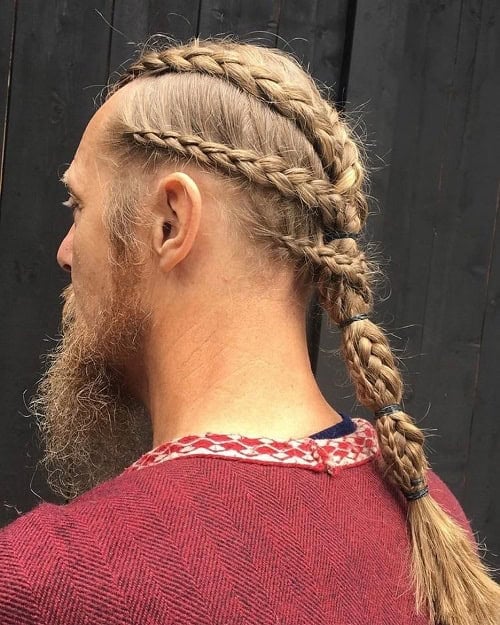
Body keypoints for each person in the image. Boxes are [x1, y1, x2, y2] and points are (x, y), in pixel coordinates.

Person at [0, 36, 498, 625]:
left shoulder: (54, 582)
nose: (64, 252)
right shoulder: (429, 514)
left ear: (170, 223)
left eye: (77, 206)